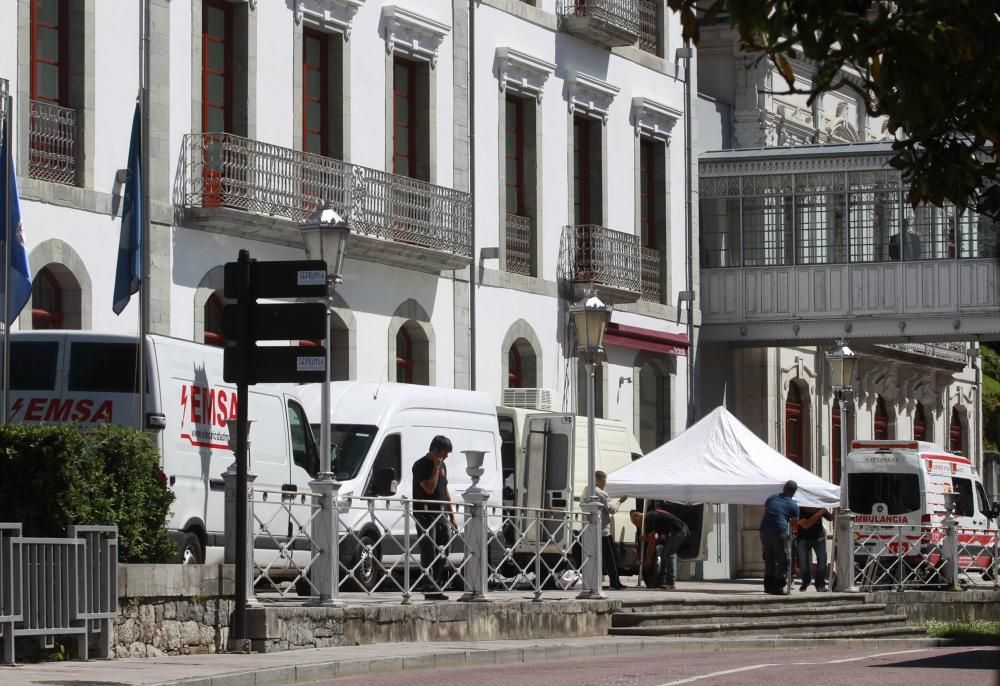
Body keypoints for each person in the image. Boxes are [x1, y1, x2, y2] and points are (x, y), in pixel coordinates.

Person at [412, 435, 458, 600]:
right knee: (428, 551)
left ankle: (436, 583)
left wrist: (451, 516)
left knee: (444, 549)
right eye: (444, 453)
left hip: (441, 513)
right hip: (424, 513)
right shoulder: (420, 466)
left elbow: (444, 491)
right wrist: (436, 468)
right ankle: (429, 585)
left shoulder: (443, 465)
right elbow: (430, 489)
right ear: (436, 451)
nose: (446, 457)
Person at [631, 504, 689, 590]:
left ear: (637, 519)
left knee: (668, 554)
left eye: (637, 524)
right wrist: (646, 538)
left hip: (679, 531)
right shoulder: (650, 516)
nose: (638, 526)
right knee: (665, 553)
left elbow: (653, 539)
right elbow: (657, 536)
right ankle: (664, 580)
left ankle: (670, 582)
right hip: (677, 531)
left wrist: (648, 559)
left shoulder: (648, 518)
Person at [759, 480, 800, 595]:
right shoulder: (793, 505)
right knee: (783, 560)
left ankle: (768, 586)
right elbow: (794, 526)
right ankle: (777, 587)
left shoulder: (771, 498)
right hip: (779, 530)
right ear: (794, 492)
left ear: (784, 489)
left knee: (769, 559)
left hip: (764, 530)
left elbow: (768, 511)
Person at [594, 470, 627, 590]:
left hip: (591, 531)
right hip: (604, 531)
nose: (605, 483)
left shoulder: (587, 491)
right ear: (597, 480)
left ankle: (593, 582)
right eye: (603, 480)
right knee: (611, 558)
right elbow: (612, 510)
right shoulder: (602, 494)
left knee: (594, 557)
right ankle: (615, 583)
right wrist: (620, 501)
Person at [795, 506, 833, 592]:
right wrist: (820, 512)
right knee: (803, 562)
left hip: (819, 537)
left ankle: (820, 584)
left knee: (822, 560)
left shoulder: (820, 506)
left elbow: (830, 518)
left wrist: (835, 509)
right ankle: (806, 581)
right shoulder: (800, 509)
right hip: (803, 537)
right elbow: (806, 525)